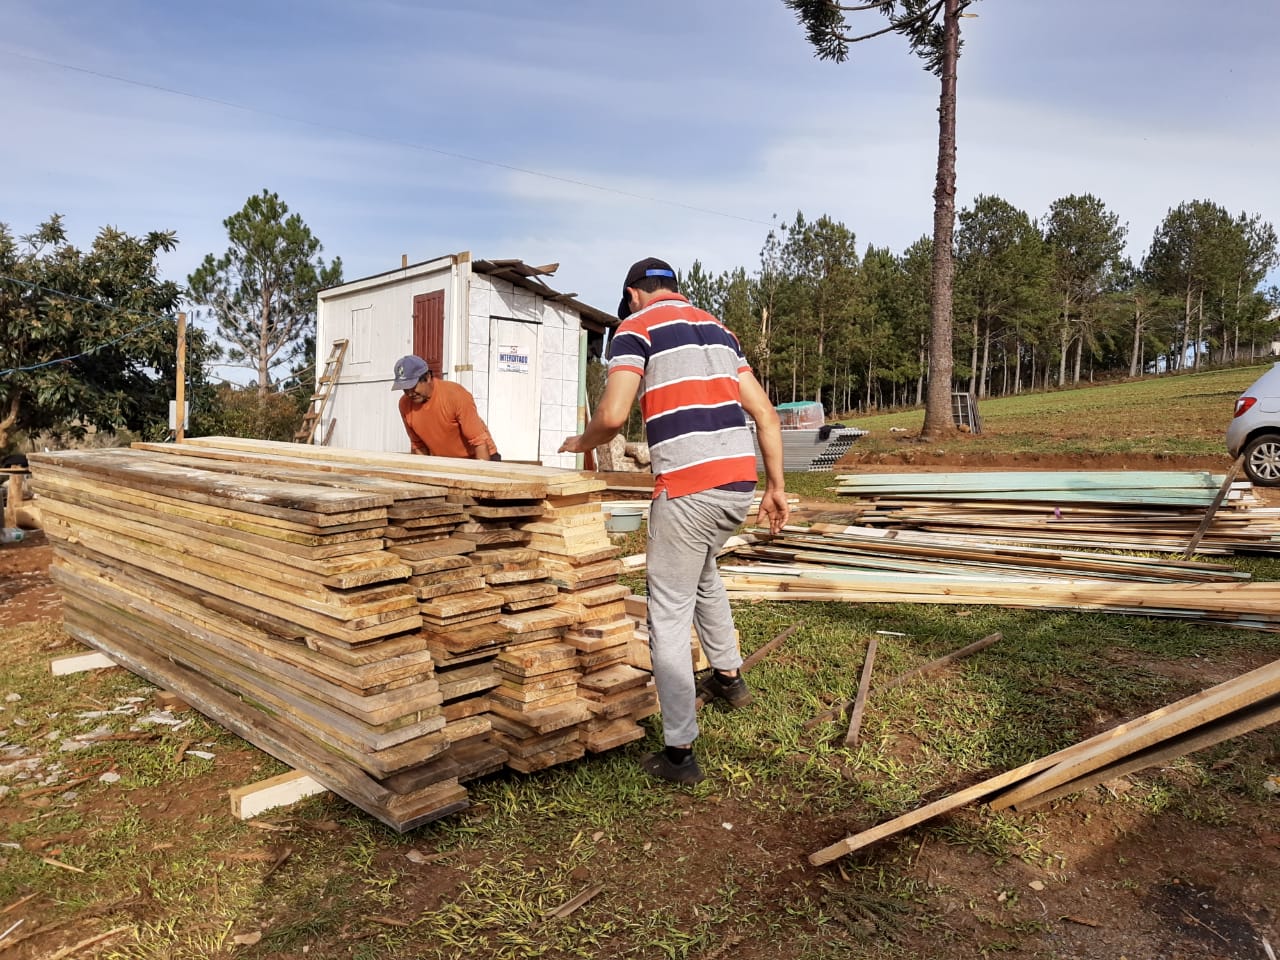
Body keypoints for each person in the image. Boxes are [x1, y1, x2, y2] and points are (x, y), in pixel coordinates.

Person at [559, 257, 788, 785]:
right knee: (702, 575)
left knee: (666, 613)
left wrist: (584, 442)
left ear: (633, 293)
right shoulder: (719, 330)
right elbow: (767, 415)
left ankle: (679, 752)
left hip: (689, 489)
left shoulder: (634, 328)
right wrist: (776, 487)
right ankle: (728, 678)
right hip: (737, 485)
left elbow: (614, 414)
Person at [391, 355, 500, 461]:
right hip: (446, 462)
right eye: (405, 389)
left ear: (428, 377)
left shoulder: (455, 395)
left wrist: (481, 475)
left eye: (412, 386)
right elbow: (418, 445)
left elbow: (479, 442)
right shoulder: (405, 404)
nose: (409, 393)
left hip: (480, 458)